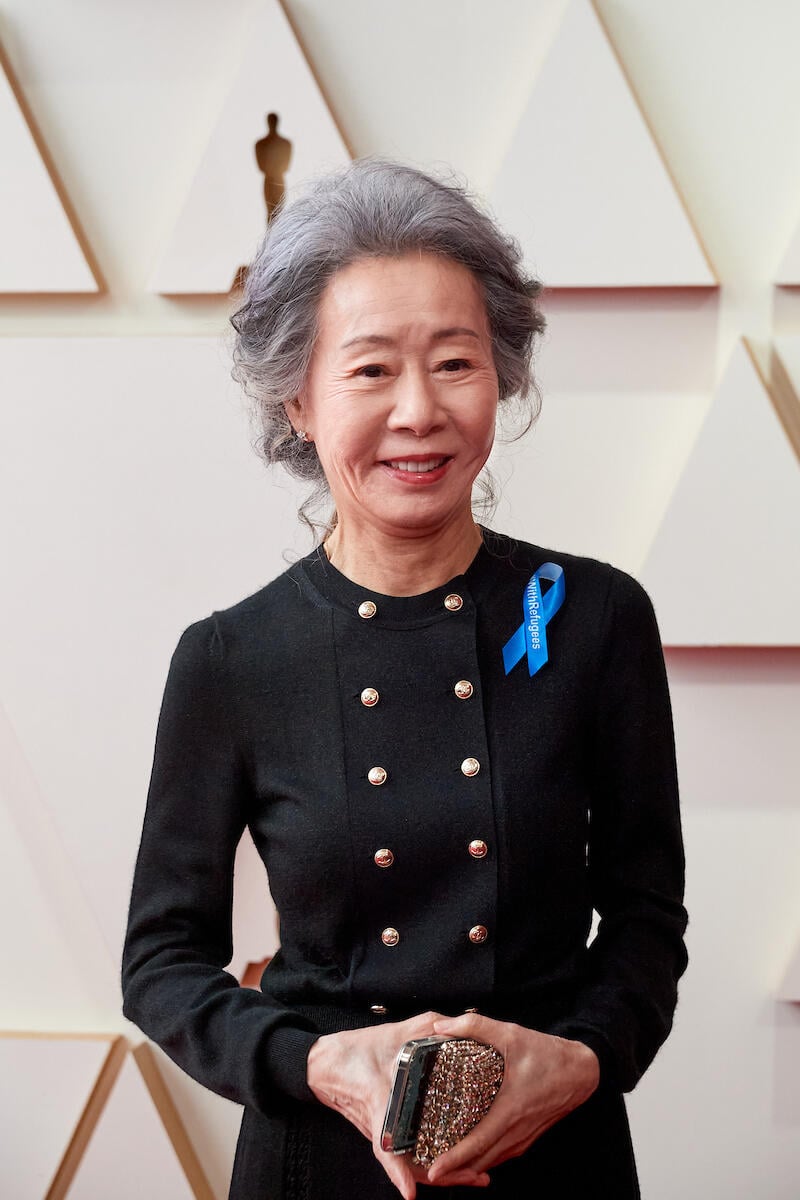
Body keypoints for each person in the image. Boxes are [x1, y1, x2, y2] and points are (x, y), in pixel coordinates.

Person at [121, 157, 688, 1200]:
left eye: (455, 363)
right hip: (319, 1160)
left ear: (502, 376)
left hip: (553, 1155)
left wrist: (583, 1060)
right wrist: (315, 1062)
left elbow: (647, 918)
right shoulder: (231, 658)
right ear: (296, 397)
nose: (419, 411)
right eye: (371, 369)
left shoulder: (600, 619)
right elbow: (161, 964)